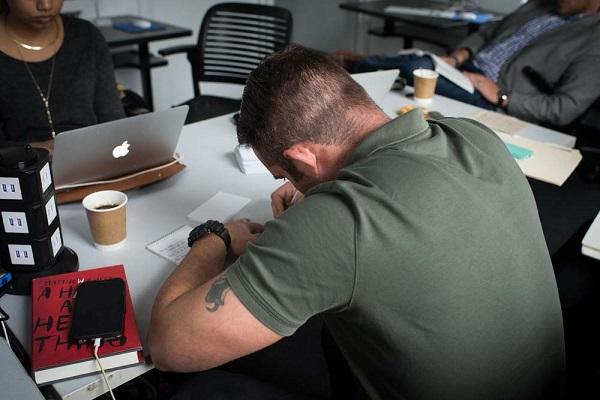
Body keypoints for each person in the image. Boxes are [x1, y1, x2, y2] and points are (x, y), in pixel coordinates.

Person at [148, 45, 565, 399]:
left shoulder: (338, 221)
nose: (293, 186)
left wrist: (217, 235)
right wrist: (318, 192)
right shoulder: (471, 135)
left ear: (301, 157)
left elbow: (169, 347)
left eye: (287, 174)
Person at [349, 0, 600, 127]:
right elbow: (488, 31)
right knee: (410, 77)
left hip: (492, 96)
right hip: (465, 72)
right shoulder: (539, 5)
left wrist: (502, 97)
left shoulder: (593, 39)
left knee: (418, 66)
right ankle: (356, 68)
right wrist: (458, 56)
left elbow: (565, 108)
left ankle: (353, 64)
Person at [0, 0, 124, 144]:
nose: (45, 5)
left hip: (92, 156)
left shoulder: (87, 36)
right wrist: (39, 150)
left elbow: (112, 119)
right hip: (19, 164)